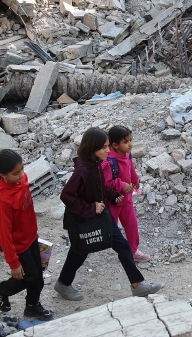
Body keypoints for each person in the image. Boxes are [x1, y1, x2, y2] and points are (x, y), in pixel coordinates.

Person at [55, 127, 163, 301]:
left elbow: (99, 187)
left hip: (100, 215)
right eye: (103, 147)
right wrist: (91, 208)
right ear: (92, 148)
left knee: (122, 246)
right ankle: (62, 284)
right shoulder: (83, 170)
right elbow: (66, 196)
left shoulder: (96, 163)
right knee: (79, 251)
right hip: (85, 218)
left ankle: (137, 284)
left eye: (107, 146)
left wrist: (112, 195)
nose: (107, 150)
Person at [0, 149, 53, 321]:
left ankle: (32, 306)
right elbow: (4, 233)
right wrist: (13, 263)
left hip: (31, 239)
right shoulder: (2, 199)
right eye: (16, 173)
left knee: (38, 277)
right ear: (3, 175)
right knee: (27, 277)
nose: (22, 175)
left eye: (22, 169)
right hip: (19, 246)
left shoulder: (22, 180)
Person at [102, 125, 149, 262]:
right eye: (126, 142)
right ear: (115, 145)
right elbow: (106, 183)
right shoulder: (108, 162)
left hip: (127, 199)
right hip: (114, 201)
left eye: (130, 140)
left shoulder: (127, 155)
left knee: (132, 225)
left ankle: (133, 251)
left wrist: (135, 180)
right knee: (111, 229)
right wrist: (122, 185)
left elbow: (131, 170)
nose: (130, 144)